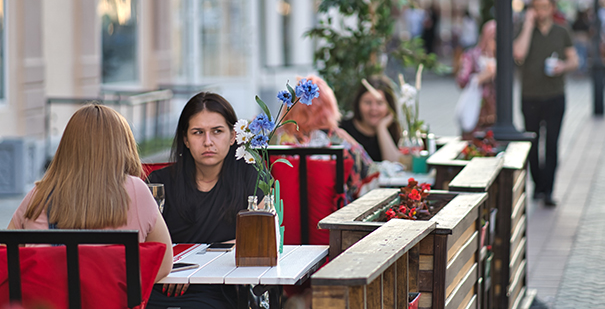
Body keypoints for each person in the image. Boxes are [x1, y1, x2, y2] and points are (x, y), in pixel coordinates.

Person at [9, 105, 173, 281]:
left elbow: (5, 253)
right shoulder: (136, 190)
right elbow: (164, 262)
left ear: (67, 146)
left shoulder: (39, 194)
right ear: (122, 147)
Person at [147, 92, 262, 309]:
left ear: (232, 136)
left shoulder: (252, 178)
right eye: (198, 132)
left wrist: (193, 266)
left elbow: (262, 239)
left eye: (217, 131)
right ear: (185, 139)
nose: (207, 141)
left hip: (223, 287)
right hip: (165, 284)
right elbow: (143, 243)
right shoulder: (158, 184)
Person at [512, 0, 578, 207]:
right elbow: (518, 54)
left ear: (552, 8)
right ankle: (538, 185)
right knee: (531, 143)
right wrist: (528, 25)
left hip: (555, 95)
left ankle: (548, 190)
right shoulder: (524, 29)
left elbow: (574, 60)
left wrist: (563, 67)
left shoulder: (562, 30)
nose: (540, 11)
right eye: (536, 7)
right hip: (530, 96)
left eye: (544, 6)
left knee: (551, 144)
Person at [276, 75, 375, 203]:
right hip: (335, 216)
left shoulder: (281, 142)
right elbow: (369, 179)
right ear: (329, 107)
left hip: (288, 218)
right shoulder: (341, 140)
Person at [340, 76, 402, 162]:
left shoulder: (393, 130)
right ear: (358, 104)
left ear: (389, 106)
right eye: (367, 102)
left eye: (379, 103)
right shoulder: (343, 130)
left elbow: (394, 164)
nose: (373, 108)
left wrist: (381, 128)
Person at [456, 20, 497, 137]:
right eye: (493, 38)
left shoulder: (502, 57)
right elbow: (461, 81)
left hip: (495, 113)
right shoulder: (472, 55)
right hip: (476, 111)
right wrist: (479, 78)